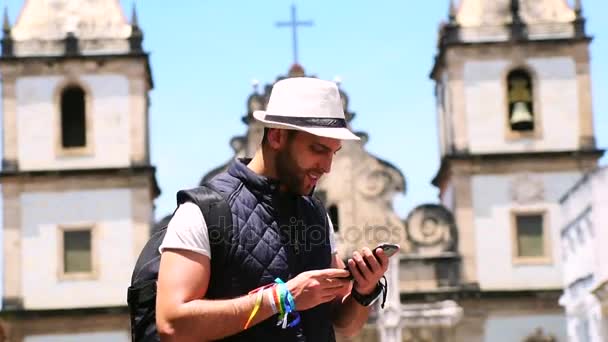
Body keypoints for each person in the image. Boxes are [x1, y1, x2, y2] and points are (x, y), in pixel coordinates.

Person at [155, 77, 392, 341]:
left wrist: (363, 290)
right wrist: (281, 299)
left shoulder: (317, 215)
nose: (327, 167)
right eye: (317, 149)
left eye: (333, 153)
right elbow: (172, 325)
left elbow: (342, 325)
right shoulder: (204, 211)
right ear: (277, 135)